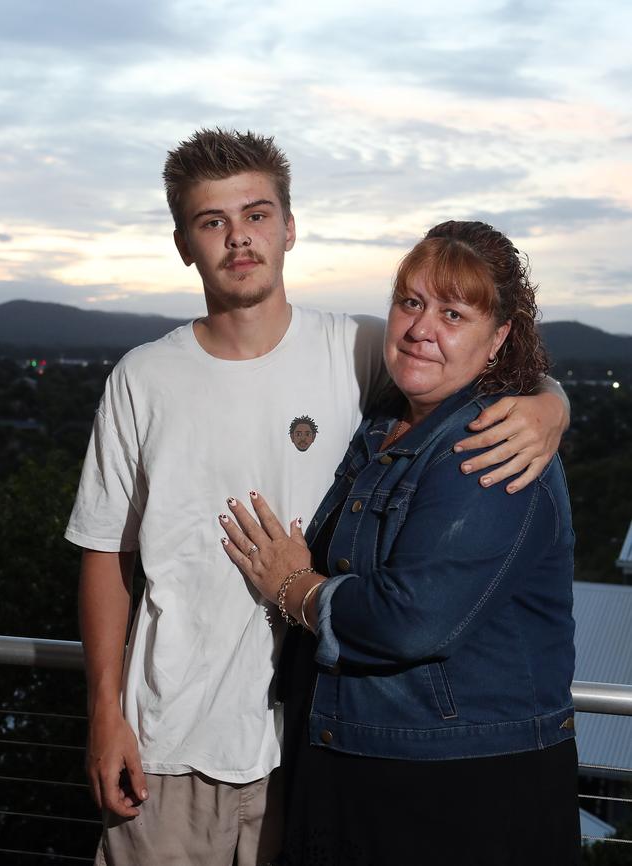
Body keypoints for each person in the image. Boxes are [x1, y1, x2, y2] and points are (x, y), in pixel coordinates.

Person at [65, 126, 570, 866]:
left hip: (301, 744)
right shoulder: (141, 379)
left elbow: (472, 363)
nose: (239, 238)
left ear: (290, 227)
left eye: (258, 215)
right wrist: (104, 715)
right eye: (213, 222)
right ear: (184, 244)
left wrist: (547, 402)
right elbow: (106, 553)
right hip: (166, 745)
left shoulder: (358, 347)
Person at [221, 220, 580, 866]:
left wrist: (294, 589)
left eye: (453, 313)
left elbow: (409, 617)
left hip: (458, 796)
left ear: (499, 338)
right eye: (410, 302)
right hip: (359, 766)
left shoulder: (491, 444)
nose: (421, 328)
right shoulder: (384, 420)